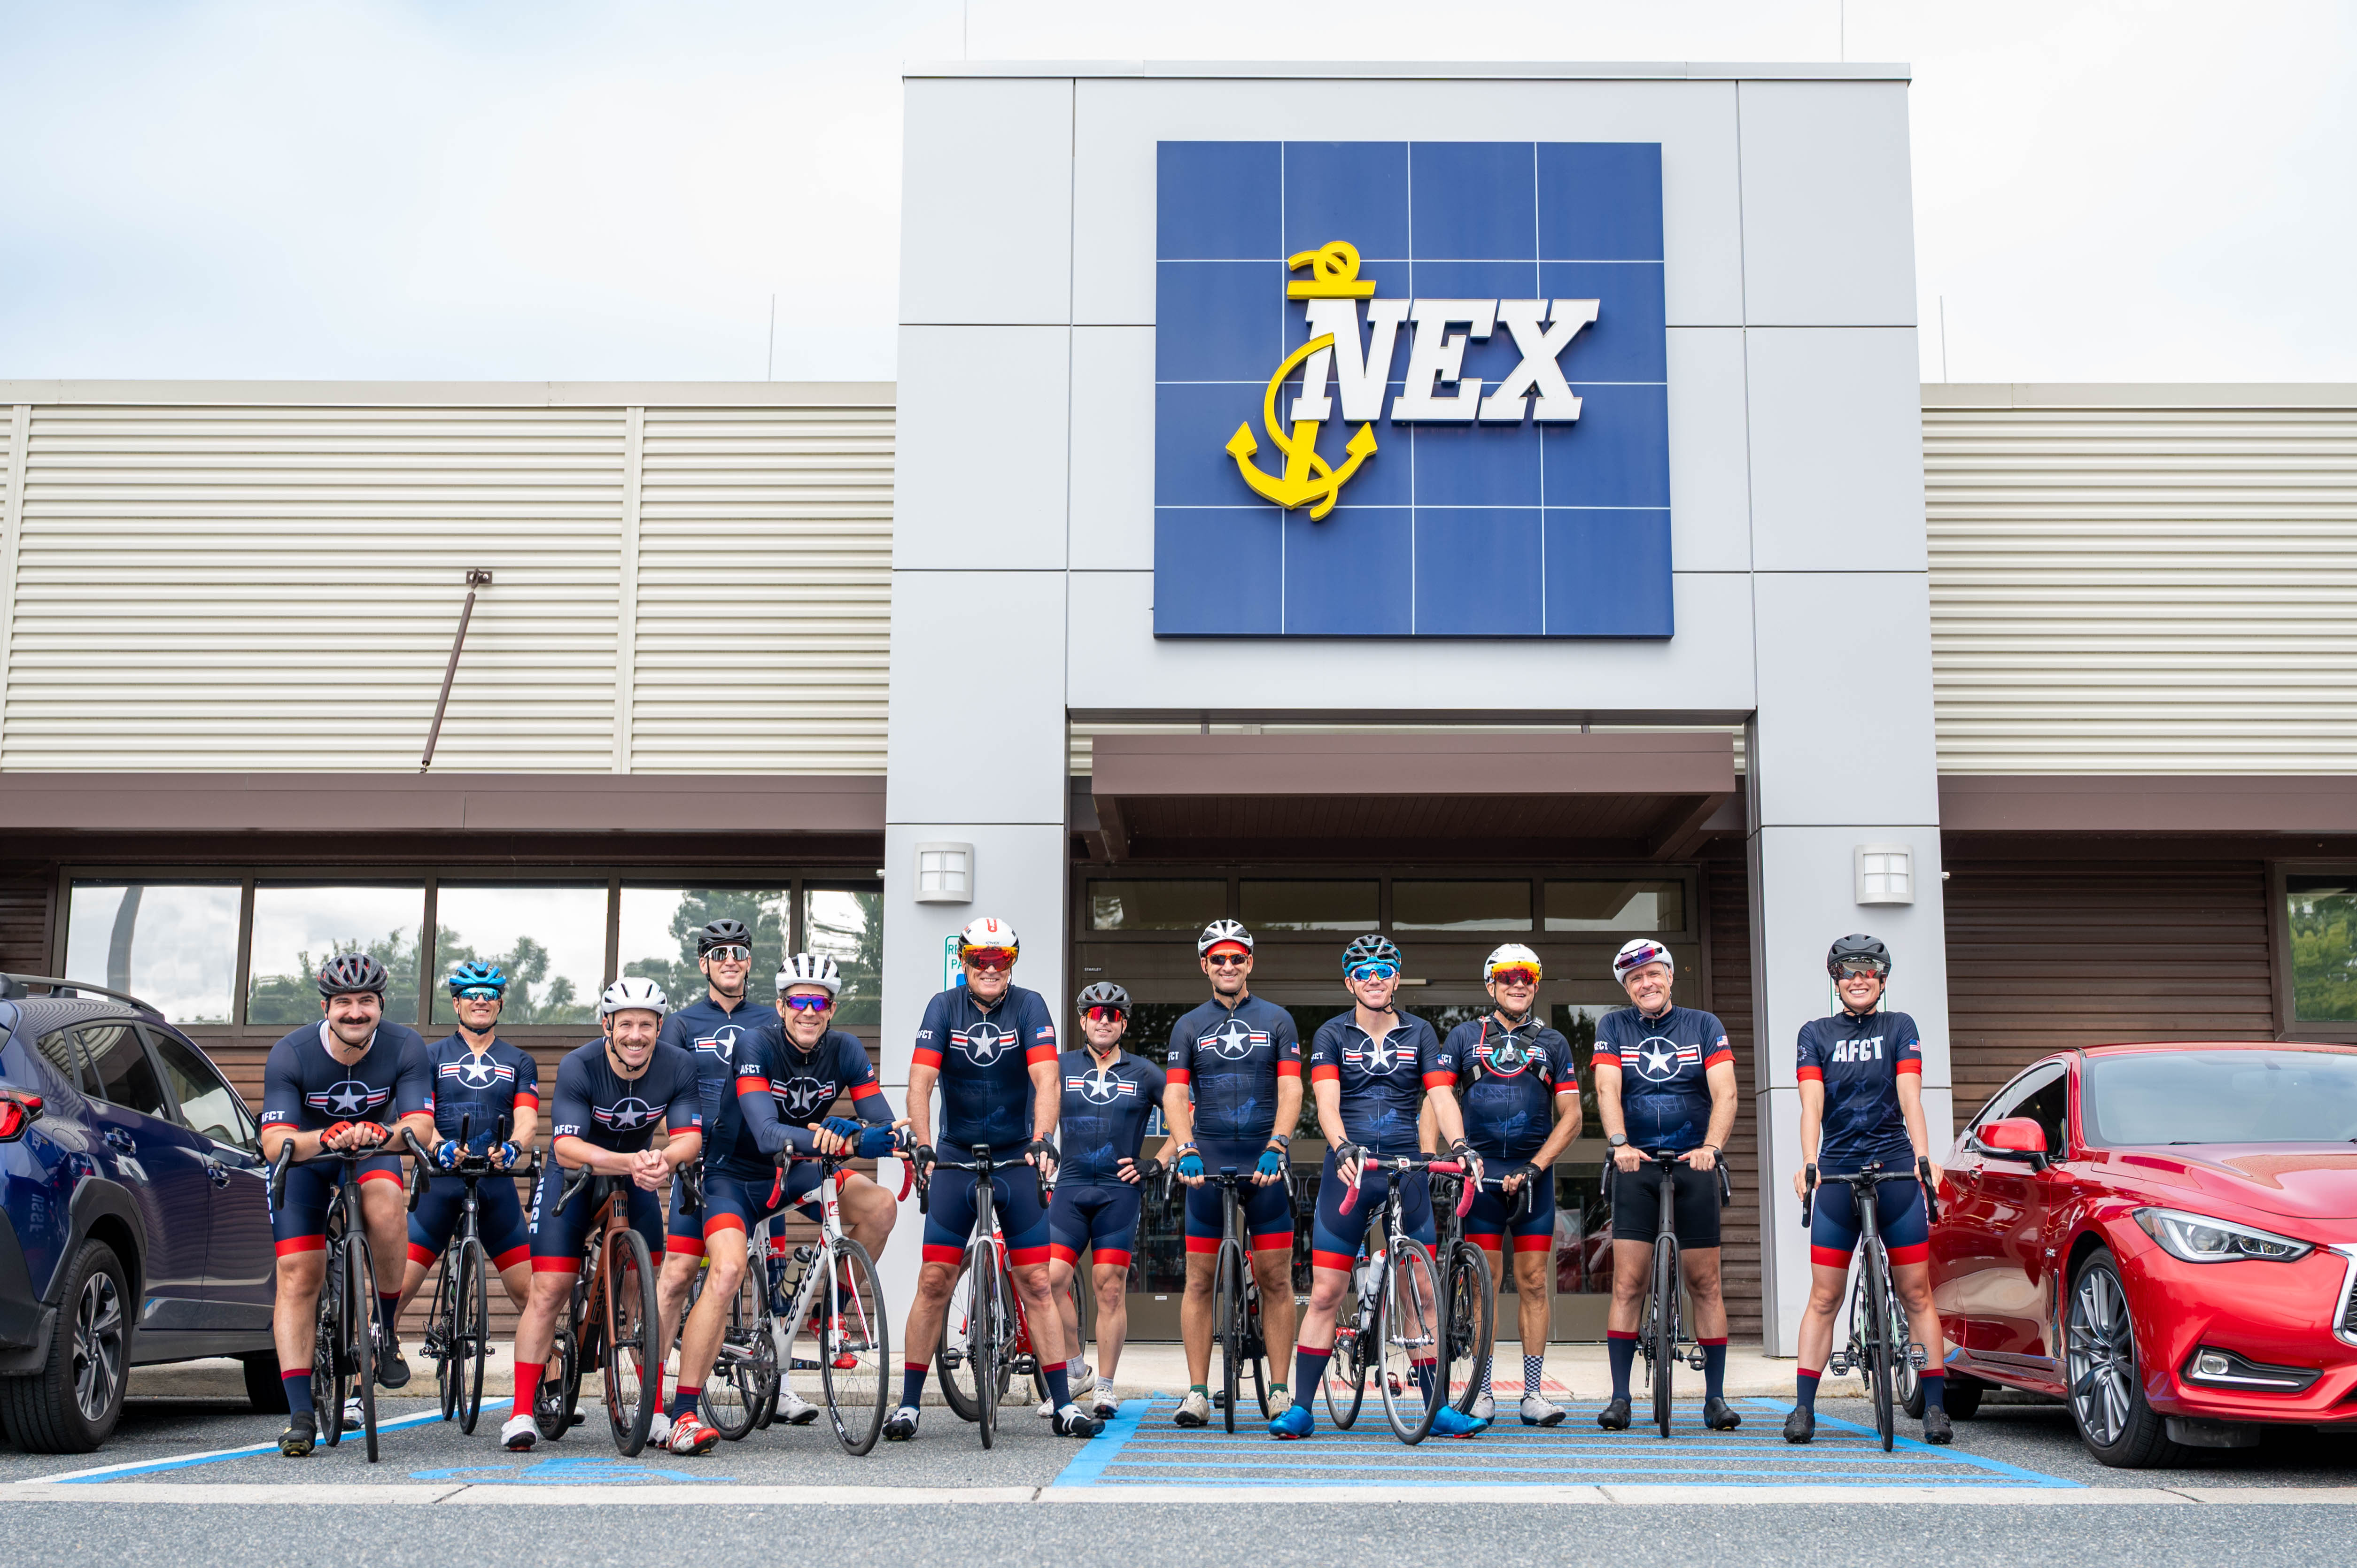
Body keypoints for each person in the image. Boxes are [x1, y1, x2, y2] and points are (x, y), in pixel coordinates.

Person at [661, 960, 902, 1455]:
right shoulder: (756, 1045)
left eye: (819, 1003)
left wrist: (874, 1133)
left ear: (831, 1010)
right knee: (727, 1271)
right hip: (733, 1176)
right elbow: (767, 1131)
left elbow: (884, 1123)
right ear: (781, 1007)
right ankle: (683, 1412)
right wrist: (846, 1138)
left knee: (880, 1207)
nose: (809, 1011)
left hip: (798, 1170)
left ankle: (828, 1312)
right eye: (798, 1001)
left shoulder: (846, 1049)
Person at [887, 916, 1101, 1441]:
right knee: (933, 1281)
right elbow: (920, 1082)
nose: (989, 968)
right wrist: (922, 1145)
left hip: (1015, 1156)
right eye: (979, 959)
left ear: (1011, 963)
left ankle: (1062, 1403)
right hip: (955, 1154)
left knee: (1037, 1283)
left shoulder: (1029, 1006)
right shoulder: (943, 1007)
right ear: (964, 962)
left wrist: (1043, 1139)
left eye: (1000, 959)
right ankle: (909, 1405)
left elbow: (1046, 1079)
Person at [1271, 936, 1489, 1441]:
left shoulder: (1420, 1032)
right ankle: (1302, 1407)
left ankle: (1435, 1408)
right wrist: (1342, 1145)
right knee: (1327, 1292)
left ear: (1396, 978)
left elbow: (1441, 1095)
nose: (1374, 979)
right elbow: (1326, 1102)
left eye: (1383, 970)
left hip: (1405, 1167)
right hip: (1351, 1167)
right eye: (1363, 971)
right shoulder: (1332, 1033)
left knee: (1422, 1295)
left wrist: (1460, 1145)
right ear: (1349, 982)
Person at [500, 978, 702, 1452]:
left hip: (636, 1174)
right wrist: (631, 1161)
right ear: (607, 1025)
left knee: (645, 1296)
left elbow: (689, 1138)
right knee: (550, 1291)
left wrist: (662, 1161)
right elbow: (566, 1147)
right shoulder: (580, 1064)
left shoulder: (679, 1064)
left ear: (659, 1027)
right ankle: (521, 1412)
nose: (636, 1035)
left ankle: (653, 1410)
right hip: (576, 1177)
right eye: (625, 1024)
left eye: (646, 1024)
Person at [258, 952, 434, 1457]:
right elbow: (274, 1143)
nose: (355, 1012)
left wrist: (379, 1133)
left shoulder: (406, 1045)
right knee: (299, 1274)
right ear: (325, 1008)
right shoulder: (291, 1052)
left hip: (373, 1149)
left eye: (366, 1001)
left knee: (388, 1206)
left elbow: (420, 1127)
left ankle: (384, 1330)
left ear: (381, 1005)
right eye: (343, 1003)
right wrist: (326, 1137)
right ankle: (300, 1414)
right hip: (308, 1157)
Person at [1785, 934, 1951, 1447]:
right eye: (1848, 971)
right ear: (1835, 980)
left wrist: (1923, 1158)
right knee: (1824, 1296)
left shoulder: (1900, 1026)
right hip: (1837, 1171)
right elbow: (1811, 1105)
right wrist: (1809, 1162)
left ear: (1882, 979)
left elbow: (1910, 1097)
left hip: (1895, 1168)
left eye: (1869, 971)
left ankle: (1935, 1406)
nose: (1859, 979)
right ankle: (1803, 1408)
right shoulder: (1814, 1033)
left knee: (1916, 1292)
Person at [1424, 943, 1582, 1426]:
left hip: (1532, 1178)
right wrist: (1430, 1156)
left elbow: (1572, 1116)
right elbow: (1435, 1097)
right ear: (1490, 984)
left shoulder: (1553, 1042)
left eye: (1527, 977)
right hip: (1481, 1176)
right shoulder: (1463, 1036)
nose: (1518, 984)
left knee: (1534, 1282)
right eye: (1508, 976)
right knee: (1483, 1284)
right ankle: (1483, 1390)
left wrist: (1536, 1166)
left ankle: (1533, 1394)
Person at [1593, 937, 1740, 1433]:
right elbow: (1607, 1087)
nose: (1646, 983)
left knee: (1706, 1284)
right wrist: (1618, 1142)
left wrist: (1711, 1147)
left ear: (1670, 976)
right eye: (1635, 979)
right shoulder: (1613, 1027)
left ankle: (1715, 1398)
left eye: (1653, 973)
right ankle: (1620, 1398)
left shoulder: (1704, 1025)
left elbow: (1725, 1092)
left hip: (1693, 1163)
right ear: (1627, 988)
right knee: (1628, 1283)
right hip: (1635, 1166)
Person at [1163, 918, 1303, 1427]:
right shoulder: (1189, 1025)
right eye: (1218, 958)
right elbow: (1175, 1093)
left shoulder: (1278, 1020)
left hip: (1263, 1160)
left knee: (1275, 1279)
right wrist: (1185, 1148)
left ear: (1250, 963)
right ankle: (1198, 1393)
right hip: (1207, 1160)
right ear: (1205, 965)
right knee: (1199, 1280)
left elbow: (1292, 1089)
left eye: (1236, 958)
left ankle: (1281, 1391)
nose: (1228, 965)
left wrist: (1278, 1143)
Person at [652, 919, 773, 1405]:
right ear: (704, 964)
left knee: (766, 1274)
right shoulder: (681, 1024)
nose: (730, 961)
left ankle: (776, 1382)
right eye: (719, 953)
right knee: (679, 1274)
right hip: (701, 1164)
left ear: (749, 962)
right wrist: (679, 1150)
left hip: (760, 1160)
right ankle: (651, 1397)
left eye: (738, 952)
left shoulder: (771, 1017)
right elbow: (669, 1092)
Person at [1044, 981, 1165, 1420]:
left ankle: (1106, 1387)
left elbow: (1184, 1115)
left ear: (1124, 1024)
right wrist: (1040, 1147)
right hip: (1070, 1187)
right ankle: (1076, 1368)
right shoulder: (1060, 1066)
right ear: (1083, 1020)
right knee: (1051, 1279)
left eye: (1113, 1014)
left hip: (1119, 1192)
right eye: (1095, 1013)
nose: (1104, 1021)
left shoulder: (1145, 1072)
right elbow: (1035, 1111)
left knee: (1109, 1287)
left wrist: (1159, 1161)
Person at [394, 963, 537, 1331]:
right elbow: (417, 1116)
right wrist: (437, 1146)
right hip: (440, 1182)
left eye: (489, 995)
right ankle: (376, 1361)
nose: (480, 1001)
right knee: (396, 1289)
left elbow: (527, 1118)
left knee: (532, 1295)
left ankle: (547, 1366)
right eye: (471, 995)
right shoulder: (429, 1056)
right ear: (457, 1004)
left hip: (494, 1184)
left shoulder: (520, 1061)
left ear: (500, 1003)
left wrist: (514, 1147)